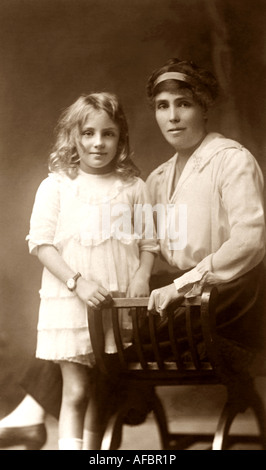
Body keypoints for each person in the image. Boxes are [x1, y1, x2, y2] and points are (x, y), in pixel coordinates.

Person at [0, 58, 265, 450]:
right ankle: (56, 414)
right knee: (97, 318)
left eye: (184, 104)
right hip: (181, 295)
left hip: (230, 300)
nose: (173, 117)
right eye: (163, 106)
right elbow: (144, 245)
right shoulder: (158, 178)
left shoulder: (231, 159)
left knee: (110, 332)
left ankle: (36, 411)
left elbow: (249, 241)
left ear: (204, 107)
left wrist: (180, 284)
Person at [5, 92, 158, 451]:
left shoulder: (134, 187)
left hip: (118, 303)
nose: (98, 143)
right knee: (75, 390)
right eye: (88, 133)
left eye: (108, 134)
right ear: (74, 136)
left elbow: (149, 243)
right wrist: (78, 282)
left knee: (102, 390)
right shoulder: (56, 185)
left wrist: (141, 275)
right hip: (71, 301)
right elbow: (42, 244)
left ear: (121, 137)